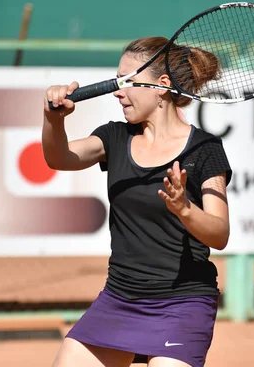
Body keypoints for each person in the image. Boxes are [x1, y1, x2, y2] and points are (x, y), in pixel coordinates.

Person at [42, 36, 232, 367]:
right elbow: (60, 157)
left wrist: (184, 209)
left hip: (181, 303)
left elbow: (219, 234)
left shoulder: (205, 150)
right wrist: (53, 118)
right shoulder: (114, 137)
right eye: (117, 81)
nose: (118, 92)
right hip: (120, 298)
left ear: (161, 86)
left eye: (127, 82)